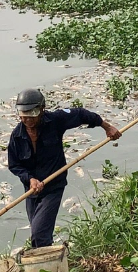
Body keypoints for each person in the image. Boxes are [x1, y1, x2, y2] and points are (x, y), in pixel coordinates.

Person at [8, 88, 121, 248]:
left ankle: (48, 268)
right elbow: (14, 165)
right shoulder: (17, 136)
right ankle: (50, 266)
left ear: (42, 109)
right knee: (39, 234)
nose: (27, 118)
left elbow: (81, 114)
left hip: (53, 186)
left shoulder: (55, 120)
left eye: (32, 112)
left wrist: (106, 127)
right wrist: (30, 179)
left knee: (39, 234)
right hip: (31, 190)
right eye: (22, 113)